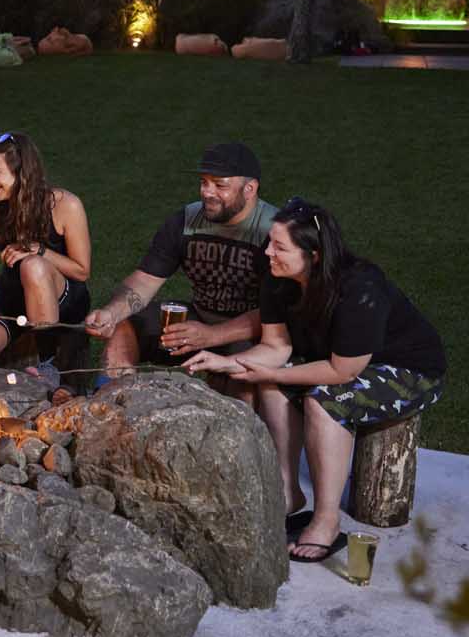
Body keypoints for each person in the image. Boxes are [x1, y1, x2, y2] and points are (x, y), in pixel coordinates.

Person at [184, 199, 447, 563]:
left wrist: (272, 371)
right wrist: (228, 361)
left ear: (315, 254)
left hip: (407, 369)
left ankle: (326, 521)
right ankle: (288, 491)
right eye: (269, 242)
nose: (267, 252)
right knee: (270, 385)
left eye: (279, 246)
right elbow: (275, 347)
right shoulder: (278, 278)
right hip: (341, 362)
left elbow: (343, 373)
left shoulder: (359, 287)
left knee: (323, 399)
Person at [88, 141, 277, 381]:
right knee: (125, 327)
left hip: (251, 331)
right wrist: (111, 313)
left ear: (249, 189)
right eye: (204, 182)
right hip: (200, 316)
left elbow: (277, 312)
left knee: (241, 379)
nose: (207, 192)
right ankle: (108, 401)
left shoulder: (274, 232)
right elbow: (145, 279)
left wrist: (212, 335)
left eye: (220, 185)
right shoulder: (185, 221)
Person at [0, 132, 92, 382]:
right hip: (14, 297)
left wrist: (40, 251)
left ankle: (49, 363)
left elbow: (82, 270)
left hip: (62, 296)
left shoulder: (65, 205)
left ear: (21, 171)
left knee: (33, 266)